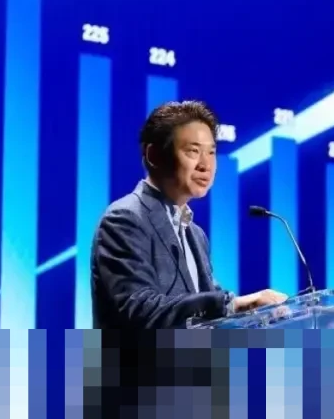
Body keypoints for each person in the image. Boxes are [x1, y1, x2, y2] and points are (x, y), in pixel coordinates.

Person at [91, 100, 287, 328]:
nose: (206, 165)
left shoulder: (196, 234)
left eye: (211, 152)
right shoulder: (124, 219)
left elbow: (209, 313)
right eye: (193, 151)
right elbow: (141, 310)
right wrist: (234, 305)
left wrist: (255, 313)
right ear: (154, 155)